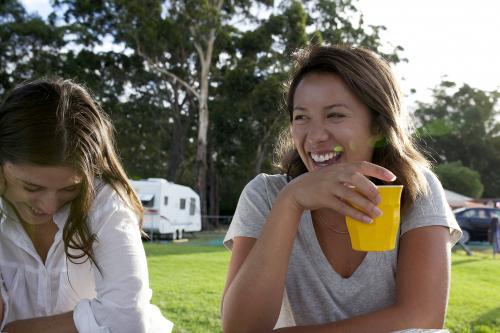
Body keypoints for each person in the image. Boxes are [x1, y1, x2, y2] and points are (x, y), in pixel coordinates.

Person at [221, 45, 462, 333]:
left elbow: (423, 319)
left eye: (335, 115)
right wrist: (290, 203)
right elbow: (240, 328)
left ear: (377, 127)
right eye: (301, 117)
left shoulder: (416, 188)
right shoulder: (265, 195)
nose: (315, 135)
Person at [0, 78, 173, 333]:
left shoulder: (105, 203)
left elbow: (127, 322)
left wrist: (15, 331)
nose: (48, 206)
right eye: (32, 187)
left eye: (69, 188)